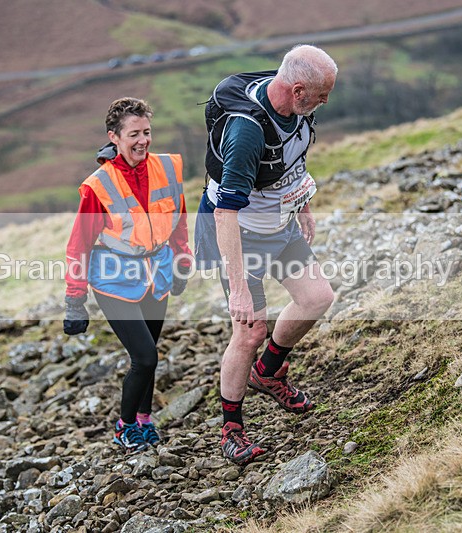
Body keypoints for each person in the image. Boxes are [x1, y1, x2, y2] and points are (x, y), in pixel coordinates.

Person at [195, 45, 337, 464]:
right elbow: (224, 211)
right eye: (321, 95)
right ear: (297, 89)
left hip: (279, 224)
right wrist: (238, 287)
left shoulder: (296, 108)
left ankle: (268, 372)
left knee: (317, 298)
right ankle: (231, 429)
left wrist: (302, 204)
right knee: (250, 331)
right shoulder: (246, 133)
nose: (324, 103)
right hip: (241, 236)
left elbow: (294, 158)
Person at [63, 97, 192, 454]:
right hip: (114, 279)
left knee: (150, 352)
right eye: (133, 134)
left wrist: (183, 259)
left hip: (159, 273)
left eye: (147, 132)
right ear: (114, 138)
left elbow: (179, 219)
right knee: (145, 357)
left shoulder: (167, 169)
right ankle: (125, 426)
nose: (143, 140)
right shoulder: (98, 186)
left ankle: (144, 421)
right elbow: (79, 244)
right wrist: (75, 299)